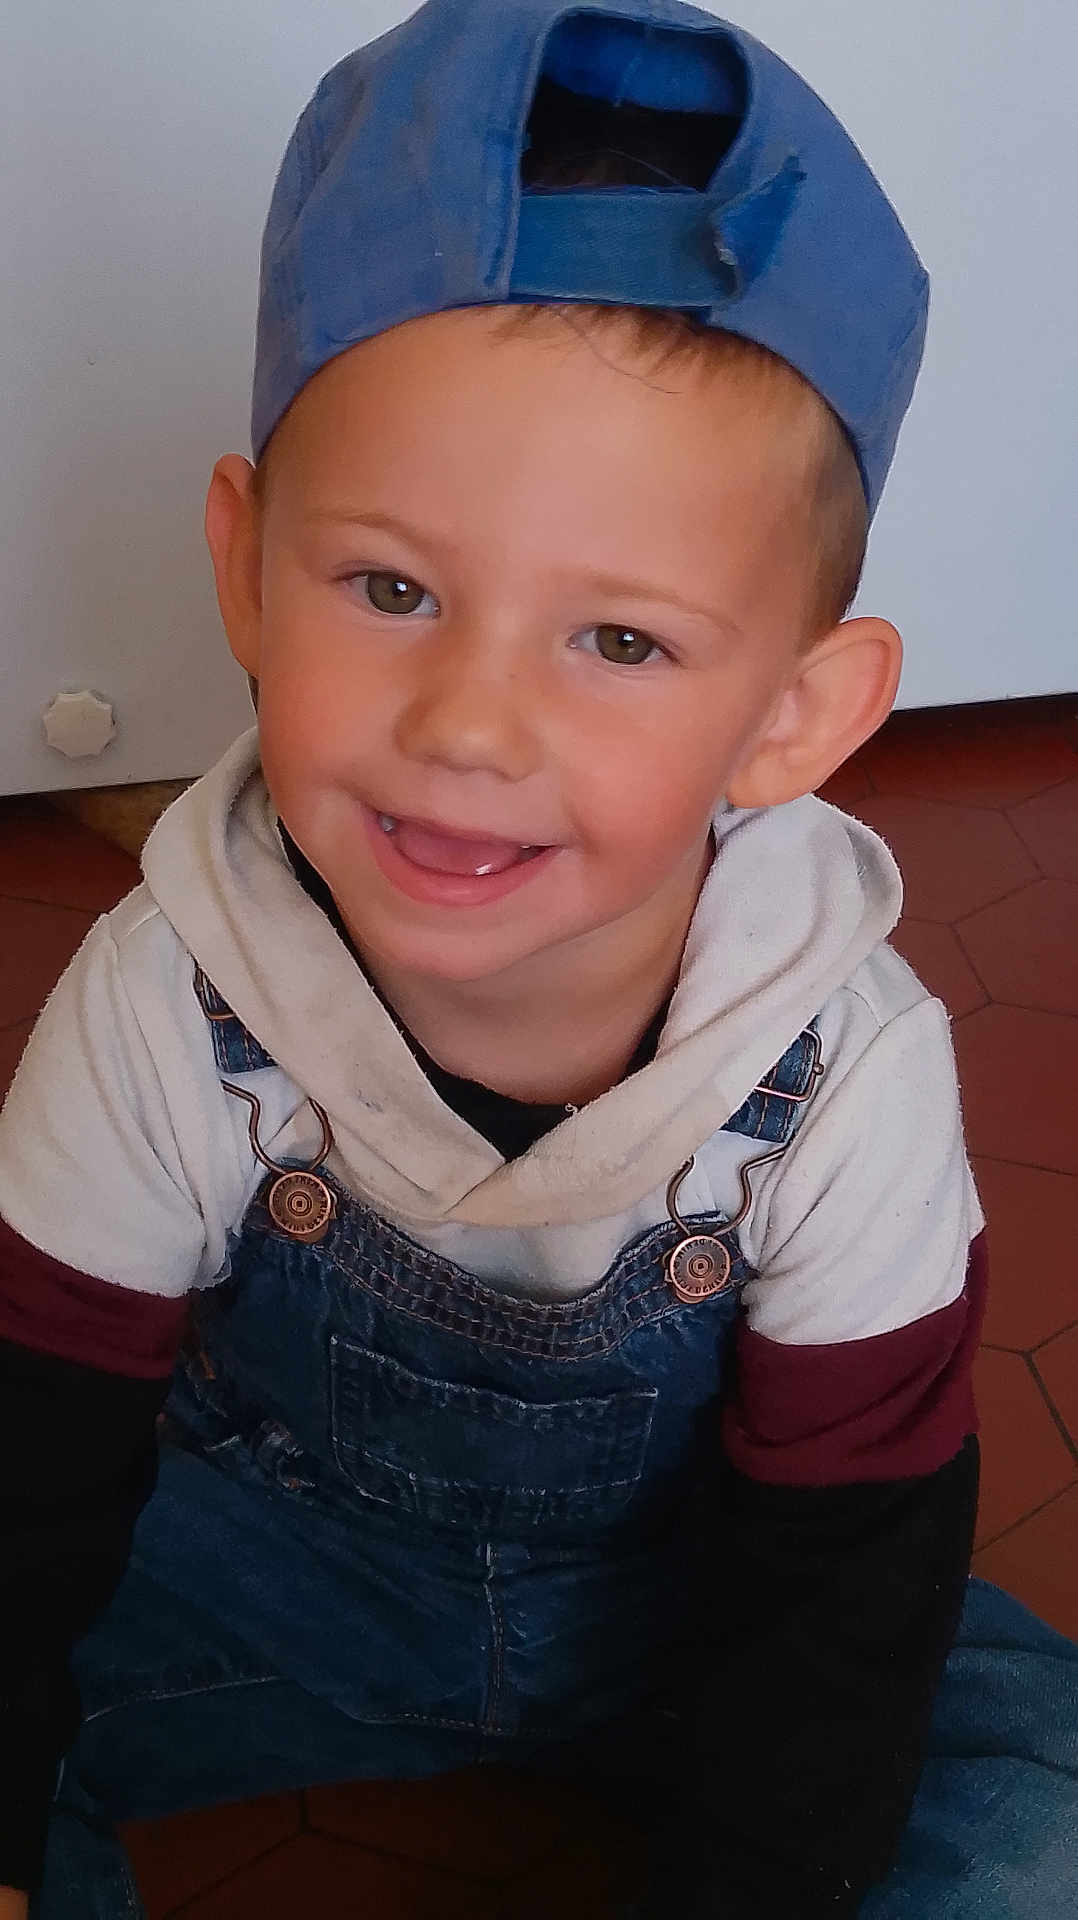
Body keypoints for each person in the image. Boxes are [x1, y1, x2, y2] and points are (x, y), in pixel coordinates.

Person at [1, 2, 1076, 1914]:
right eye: (393, 589)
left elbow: (844, 1563)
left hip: (692, 1618)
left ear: (797, 714)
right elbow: (34, 1467)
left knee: (1037, 1794)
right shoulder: (171, 993)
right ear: (246, 572)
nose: (472, 726)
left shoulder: (845, 1063)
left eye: (622, 642)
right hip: (257, 1586)